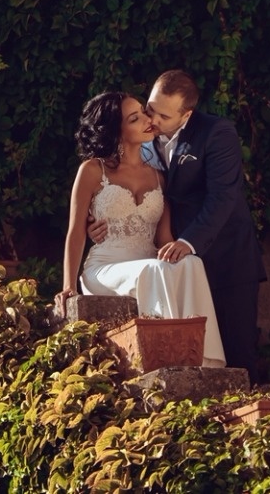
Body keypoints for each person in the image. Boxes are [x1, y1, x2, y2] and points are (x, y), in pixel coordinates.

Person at [55, 90, 226, 368]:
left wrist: (179, 254)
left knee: (191, 263)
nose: (148, 120)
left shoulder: (158, 177)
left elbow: (164, 239)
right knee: (155, 270)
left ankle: (203, 359)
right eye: (135, 118)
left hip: (147, 261)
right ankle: (167, 359)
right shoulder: (92, 170)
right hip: (106, 266)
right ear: (117, 131)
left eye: (143, 113)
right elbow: (75, 231)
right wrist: (68, 286)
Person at [138, 69, 266, 378]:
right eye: (151, 109)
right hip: (174, 271)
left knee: (238, 351)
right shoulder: (140, 137)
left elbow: (223, 196)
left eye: (164, 116)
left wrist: (188, 241)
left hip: (226, 259)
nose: (153, 120)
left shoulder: (216, 133)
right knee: (191, 356)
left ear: (186, 115)